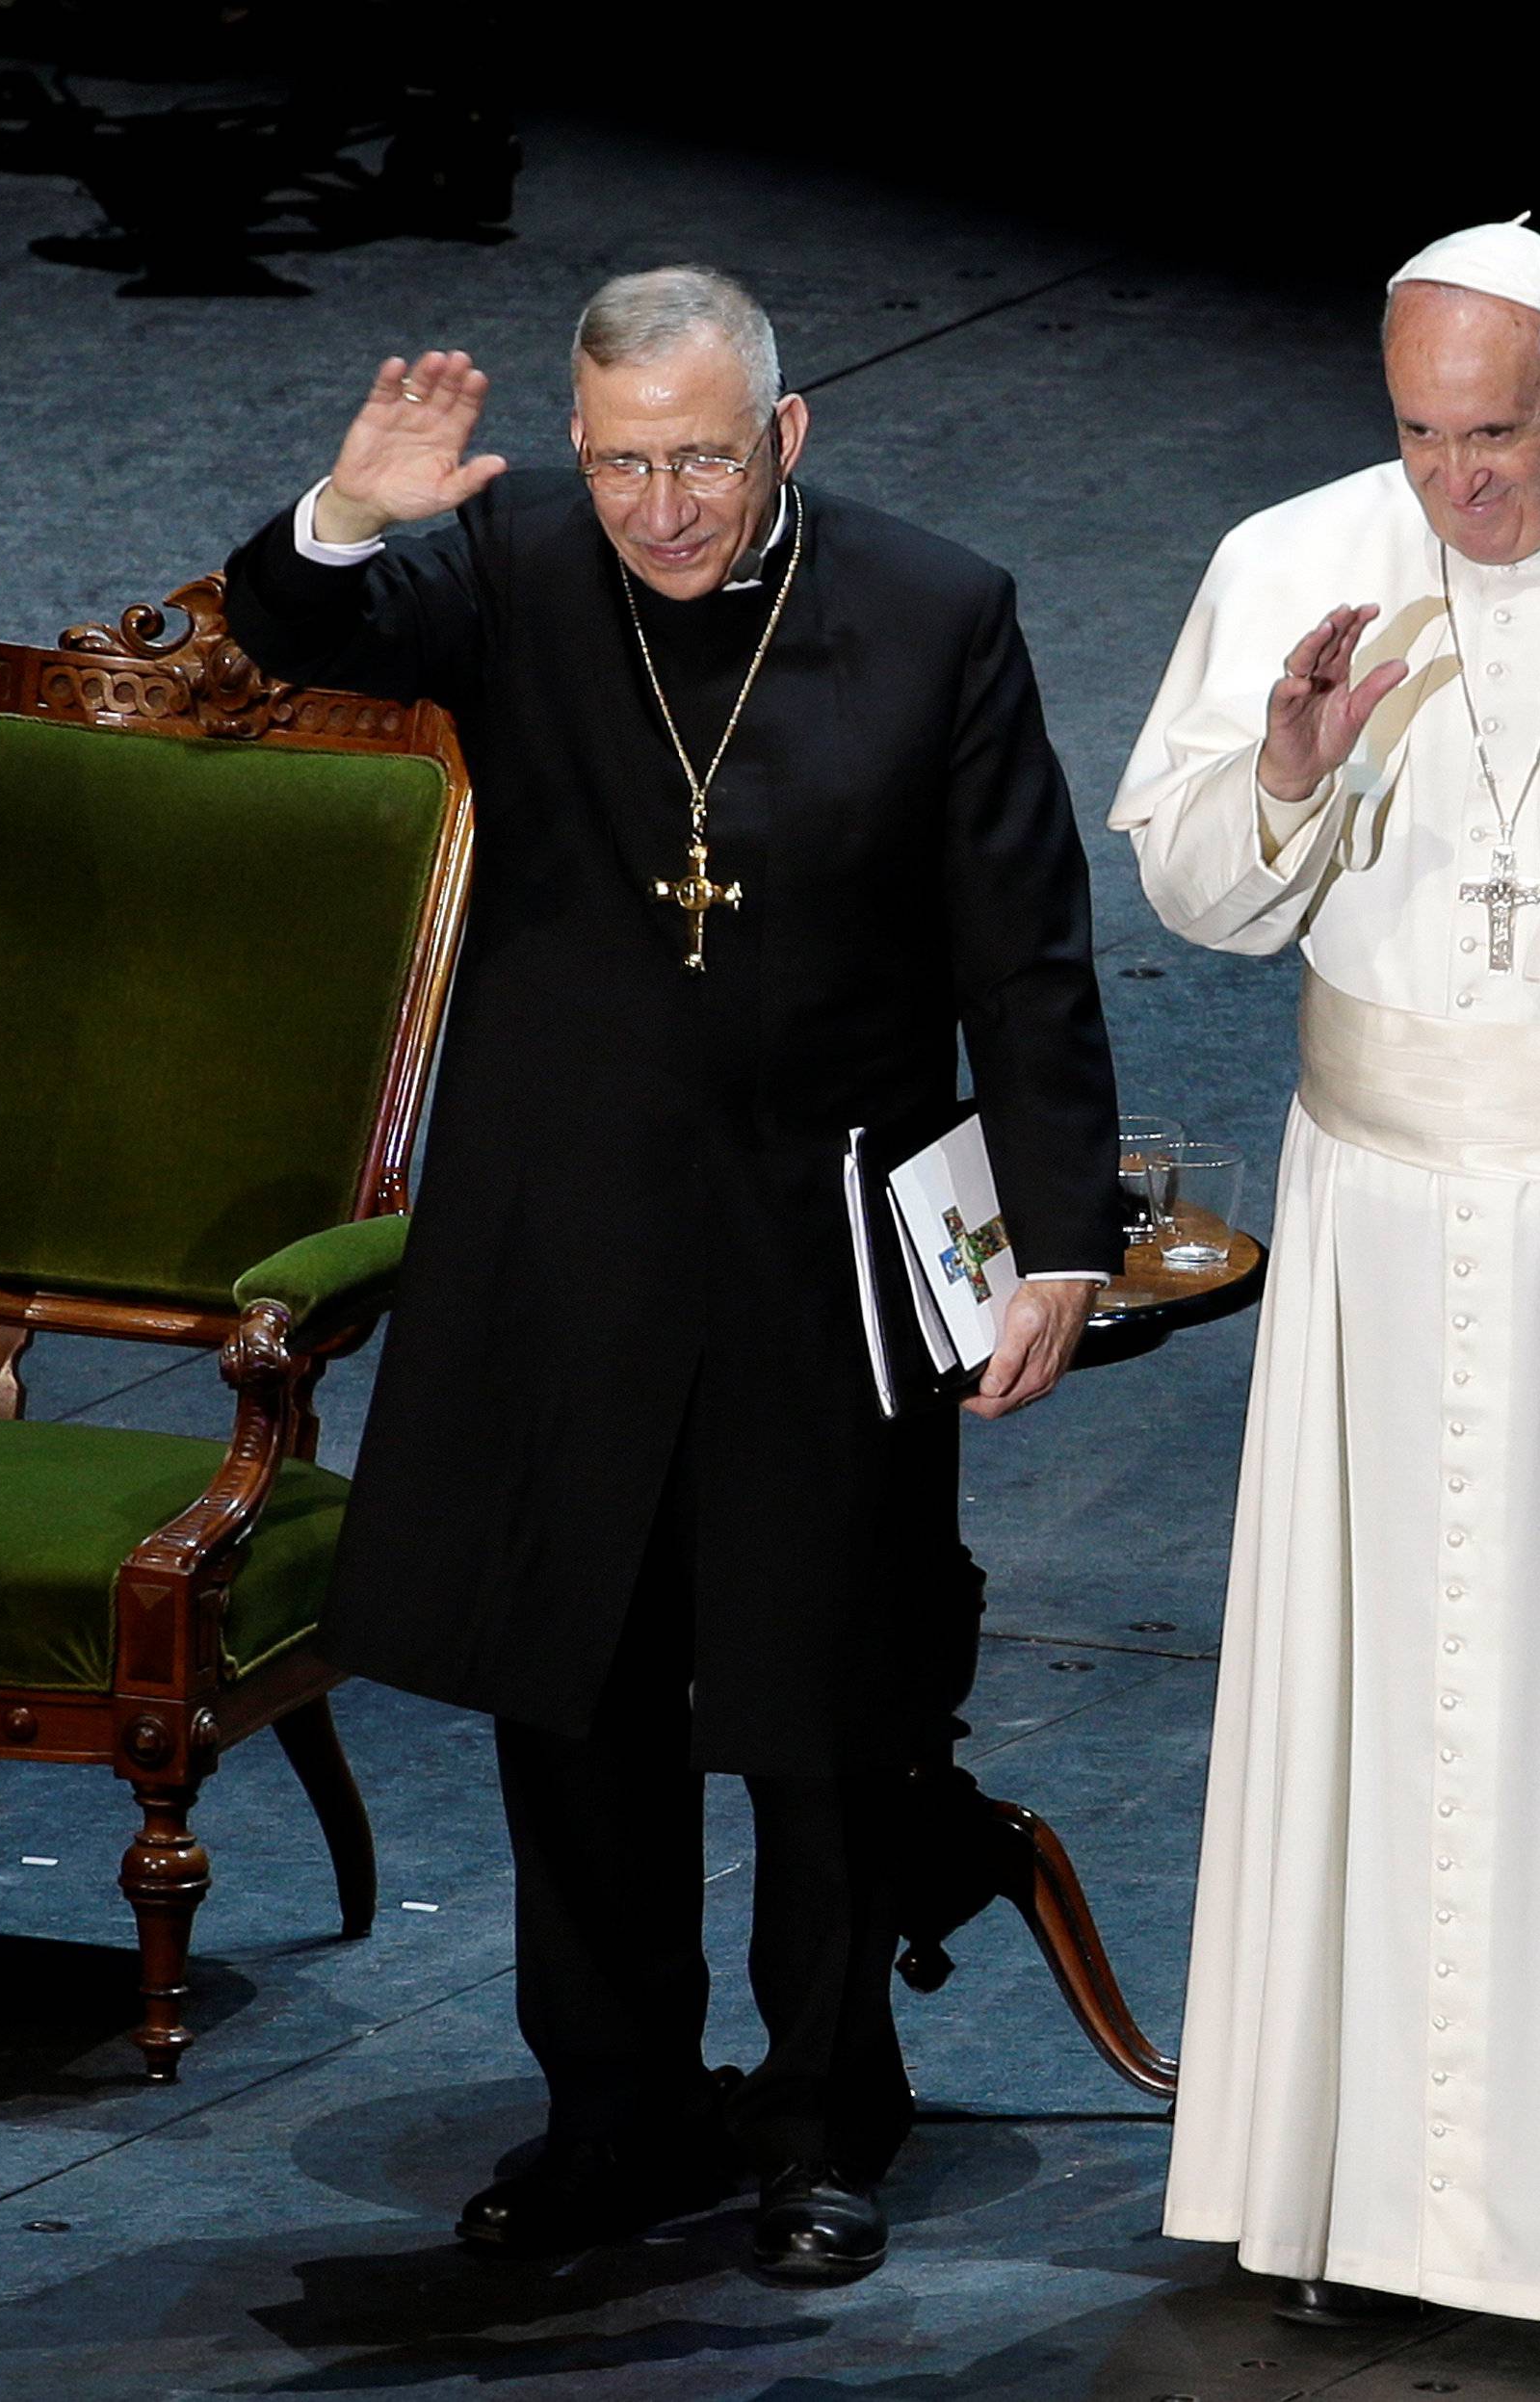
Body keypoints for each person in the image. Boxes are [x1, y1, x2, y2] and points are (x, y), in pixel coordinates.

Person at [225, 266, 1120, 2283]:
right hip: (565, 1252)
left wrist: (1056, 1241)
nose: (662, 506)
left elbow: (1026, 952)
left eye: (702, 458)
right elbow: (296, 634)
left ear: (785, 436)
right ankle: (612, 2115)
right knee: (578, 1698)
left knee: (820, 1707)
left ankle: (821, 2119)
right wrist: (348, 516)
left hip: (828, 1253)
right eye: (625, 459)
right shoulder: (517, 558)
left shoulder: (937, 609)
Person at [1111, 219, 1540, 2328]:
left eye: (1494, 432)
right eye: (1417, 430)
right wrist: (1292, 765)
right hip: (1379, 1215)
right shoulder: (1298, 550)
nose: (1454, 483)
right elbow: (1196, 888)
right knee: (1383, 1697)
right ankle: (1365, 2203)